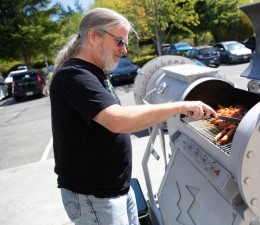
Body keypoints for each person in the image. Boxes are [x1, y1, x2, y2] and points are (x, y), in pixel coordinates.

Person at [48, 8, 217, 225]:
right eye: (119, 41)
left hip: (115, 188)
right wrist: (179, 106)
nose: (125, 50)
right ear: (93, 36)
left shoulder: (94, 73)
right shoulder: (75, 76)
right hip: (95, 196)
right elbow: (119, 120)